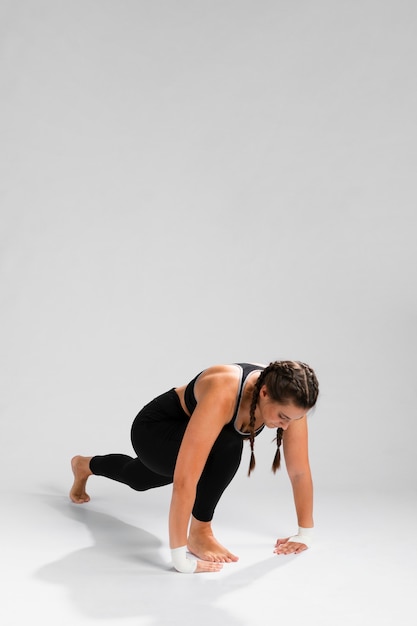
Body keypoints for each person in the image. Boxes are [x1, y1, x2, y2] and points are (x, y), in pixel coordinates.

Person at [70, 361, 319, 573]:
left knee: (139, 478)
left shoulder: (292, 401)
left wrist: (303, 534)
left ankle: (84, 465)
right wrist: (180, 560)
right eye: (283, 418)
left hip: (193, 438)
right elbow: (185, 480)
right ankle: (200, 533)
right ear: (264, 393)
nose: (287, 426)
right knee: (228, 443)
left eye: (294, 419)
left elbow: (298, 471)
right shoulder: (225, 392)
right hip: (155, 431)